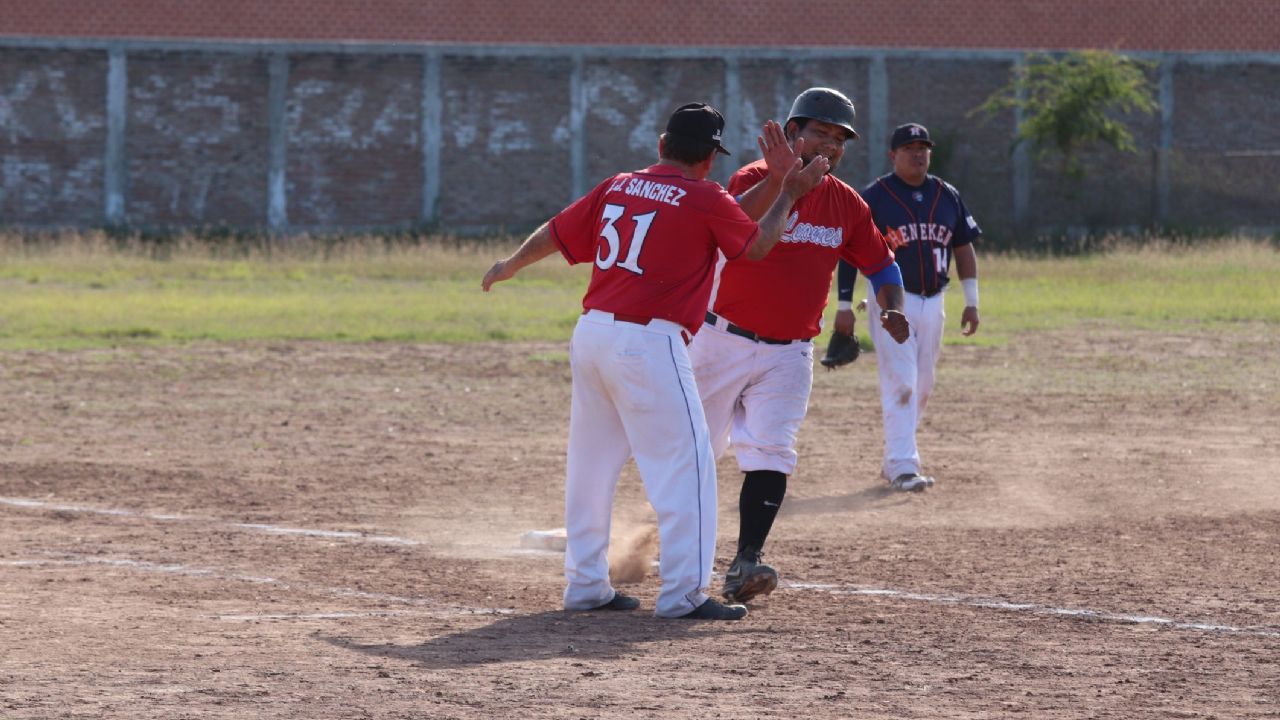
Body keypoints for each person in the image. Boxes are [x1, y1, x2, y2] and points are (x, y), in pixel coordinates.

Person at [482, 103, 829, 621]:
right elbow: (755, 246)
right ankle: (683, 595)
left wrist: (510, 265)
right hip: (650, 343)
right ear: (711, 158)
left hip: (592, 334)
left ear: (662, 146)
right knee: (687, 468)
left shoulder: (620, 184)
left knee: (591, 467)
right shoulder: (705, 196)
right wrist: (790, 192)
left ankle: (585, 586)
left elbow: (556, 231)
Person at [687, 87, 911, 605]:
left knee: (772, 450)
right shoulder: (751, 179)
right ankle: (661, 540)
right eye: (820, 133)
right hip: (721, 339)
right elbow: (732, 227)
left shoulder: (847, 204)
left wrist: (891, 305)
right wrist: (781, 180)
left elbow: (881, 262)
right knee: (694, 453)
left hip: (789, 351)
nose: (830, 147)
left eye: (840, 139)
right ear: (791, 134)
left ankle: (745, 562)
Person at [834, 122, 982, 492]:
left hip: (935, 301)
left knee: (923, 386)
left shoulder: (947, 195)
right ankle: (903, 466)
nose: (918, 153)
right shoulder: (875, 197)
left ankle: (896, 457)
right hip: (891, 302)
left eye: (923, 147)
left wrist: (972, 300)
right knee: (901, 382)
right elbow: (850, 252)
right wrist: (844, 304)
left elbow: (963, 247)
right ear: (893, 155)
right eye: (909, 147)